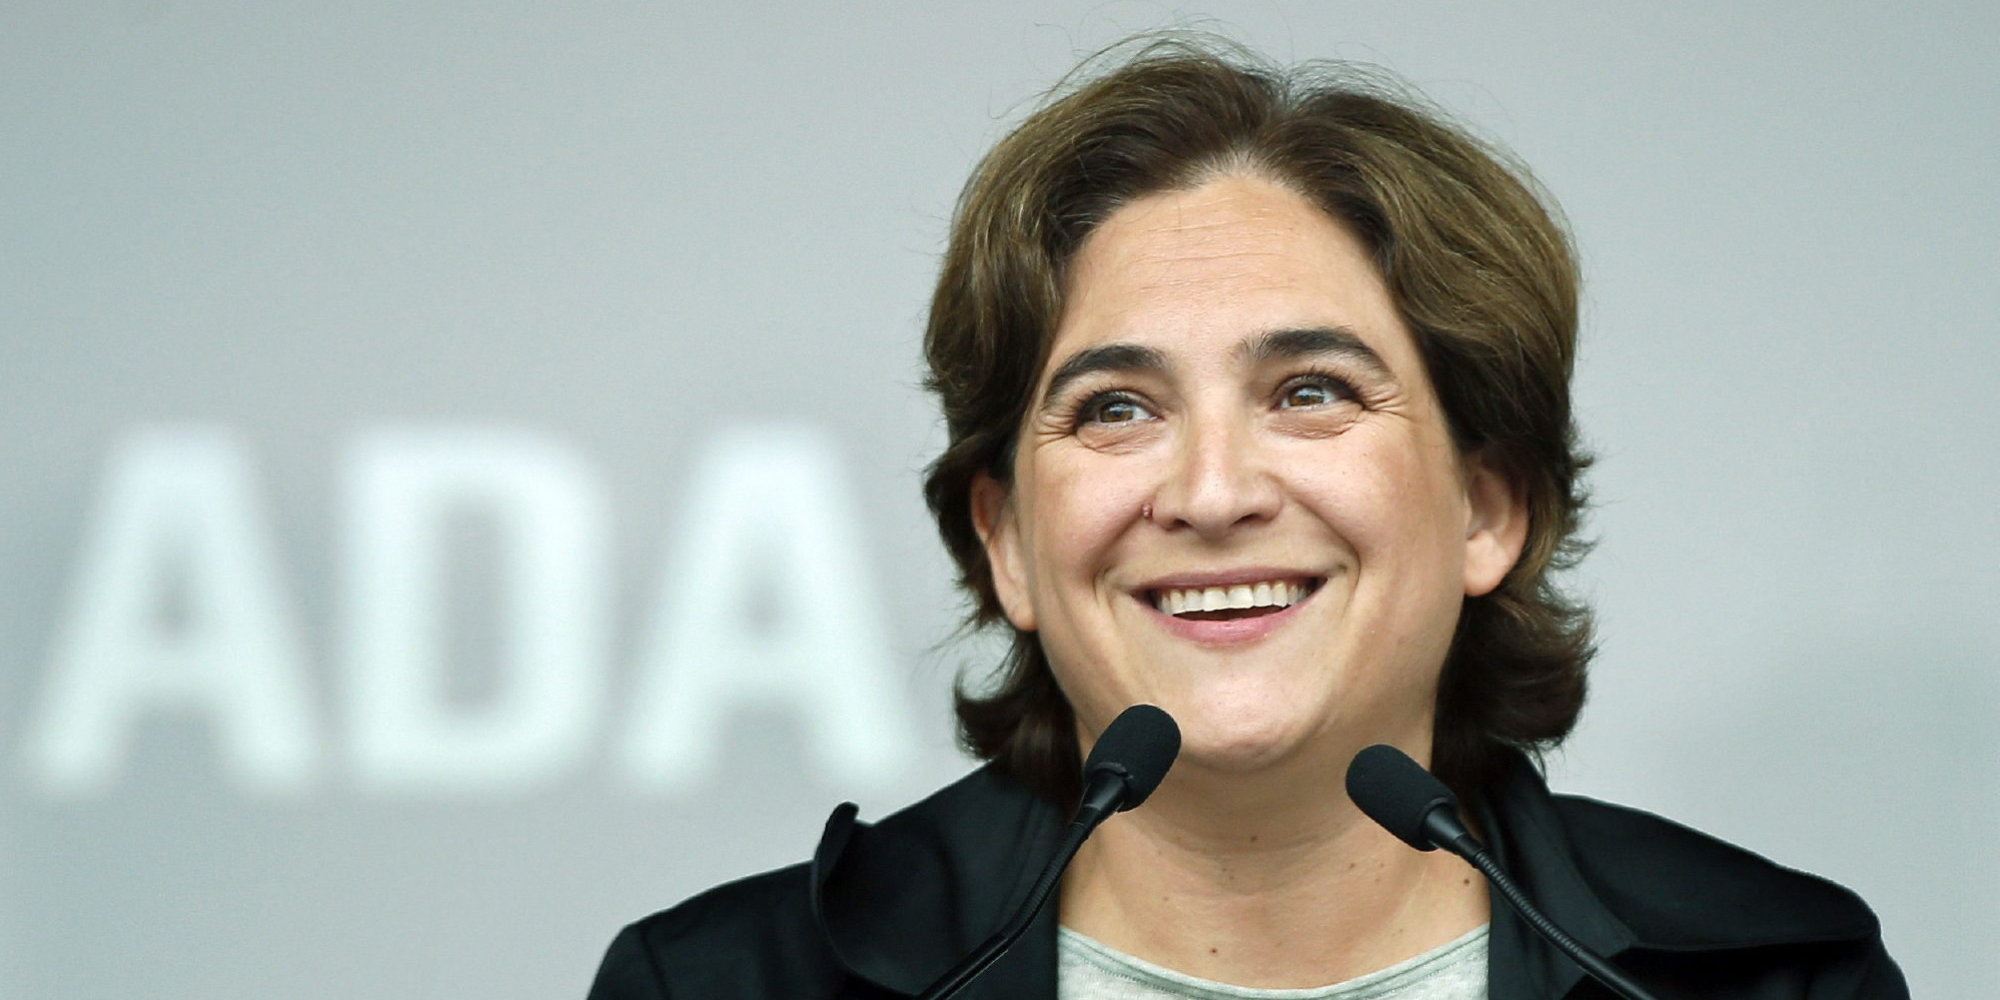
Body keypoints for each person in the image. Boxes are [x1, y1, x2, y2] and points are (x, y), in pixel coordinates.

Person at [587, 40, 1907, 1000]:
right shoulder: (724, 985)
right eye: (1115, 409)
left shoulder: (1777, 982)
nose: (1214, 494)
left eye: (1311, 391)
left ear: (1488, 509)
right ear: (1007, 542)